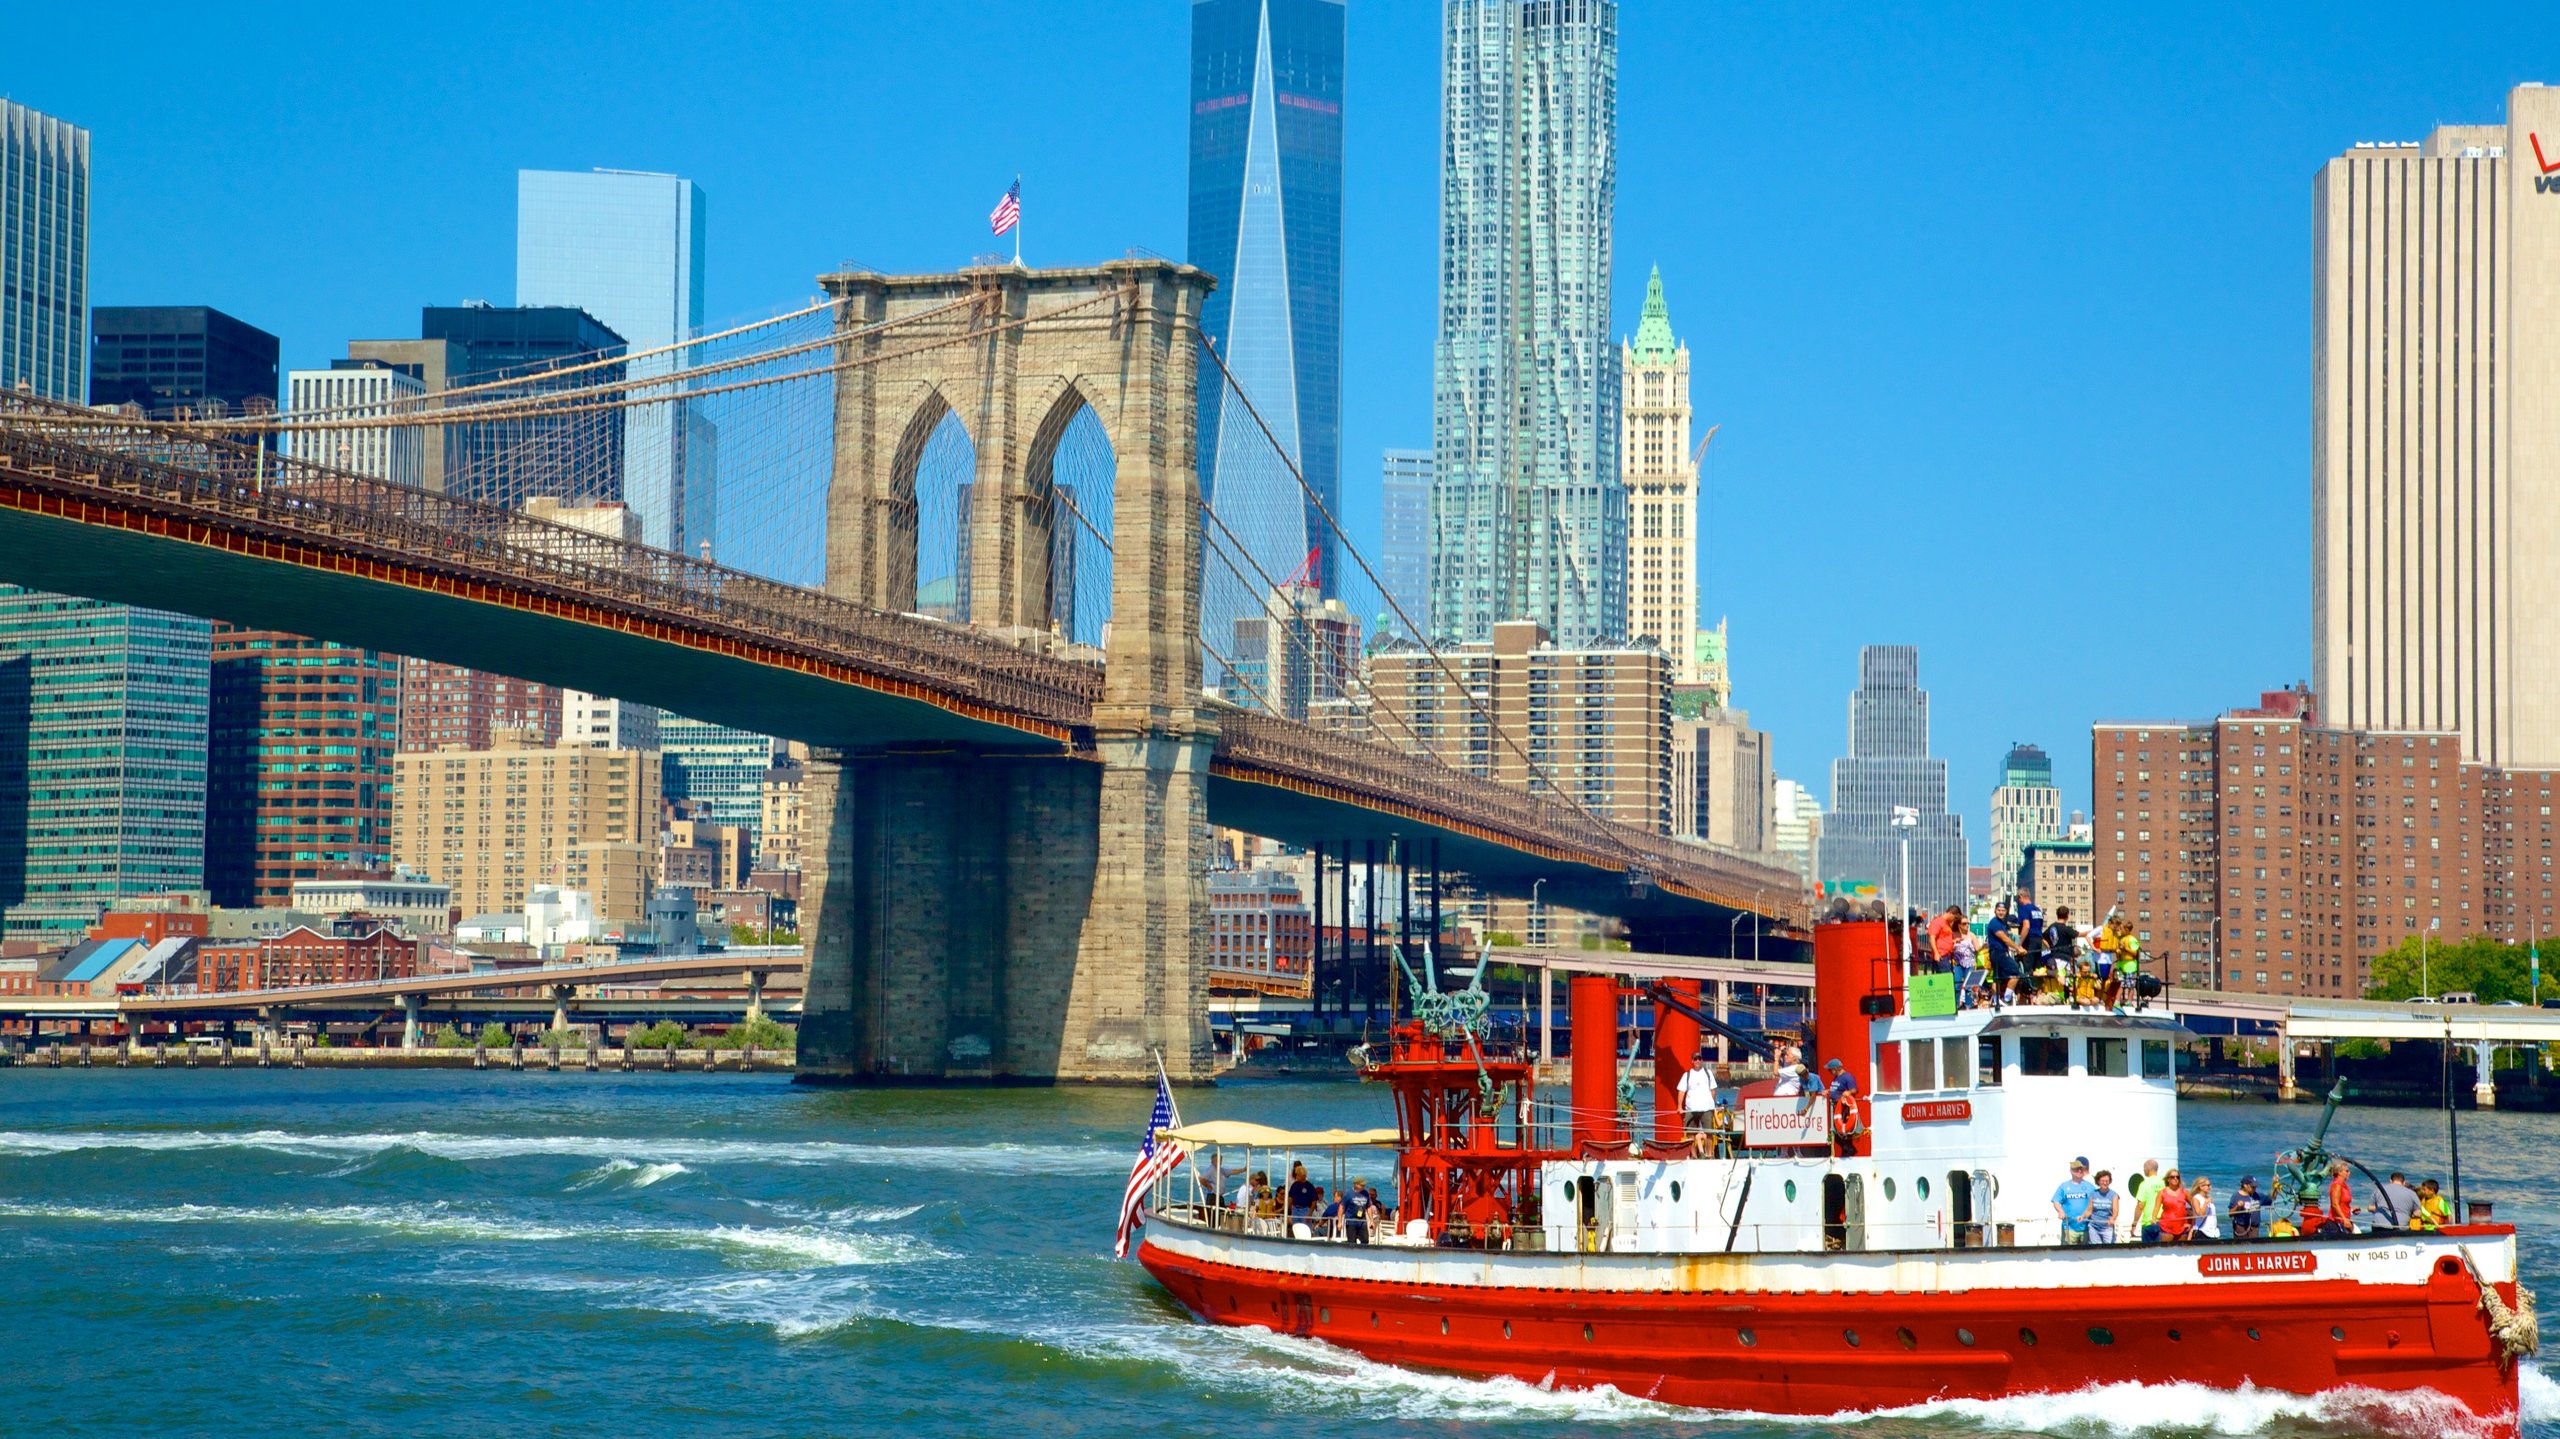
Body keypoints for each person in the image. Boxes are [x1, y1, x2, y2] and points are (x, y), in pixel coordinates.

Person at [2052, 1157, 2098, 1245]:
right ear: (2071, 1171)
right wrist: (2060, 1211)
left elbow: (2096, 1202)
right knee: (2067, 1254)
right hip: (2069, 1227)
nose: (2079, 1171)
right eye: (2076, 1169)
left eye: (2081, 1169)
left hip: (2086, 1227)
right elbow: (2056, 1201)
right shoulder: (2064, 1186)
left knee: (2086, 1255)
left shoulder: (2090, 1186)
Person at [1986, 902, 2023, 1008]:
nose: (2001, 912)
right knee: (2015, 973)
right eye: (1999, 910)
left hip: (1997, 952)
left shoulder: (2002, 923)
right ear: (1995, 911)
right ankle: (2006, 999)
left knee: (1997, 978)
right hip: (1999, 953)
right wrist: (2018, 948)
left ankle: (1995, 1000)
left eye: (2003, 910)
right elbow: (2005, 939)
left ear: (2006, 912)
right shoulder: (1995, 923)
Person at [1678, 1053, 1717, 1143]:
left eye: (1699, 1058)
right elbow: (1681, 1091)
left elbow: (1713, 1090)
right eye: (1695, 1059)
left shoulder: (1708, 1073)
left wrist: (1713, 1105)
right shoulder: (1687, 1075)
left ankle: (1709, 1155)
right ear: (1692, 1061)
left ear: (1702, 1060)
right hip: (1691, 1109)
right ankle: (1694, 1156)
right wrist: (1679, 1106)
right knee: (1690, 1132)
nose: (1697, 1061)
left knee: (1709, 1133)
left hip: (1707, 1108)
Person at [2318, 1159, 2357, 1235]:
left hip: (2343, 1220)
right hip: (2336, 1223)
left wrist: (2351, 1209)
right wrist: (2344, 1219)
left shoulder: (2344, 1186)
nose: (2349, 1173)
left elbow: (2342, 1204)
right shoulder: (2337, 1185)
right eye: (2347, 1171)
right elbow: (2335, 1204)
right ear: (2339, 1172)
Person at [2133, 1160, 2167, 1242]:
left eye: (2144, 1168)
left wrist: (2134, 1223)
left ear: (2147, 1168)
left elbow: (2140, 1206)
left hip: (2148, 1222)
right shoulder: (2164, 1183)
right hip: (2164, 1221)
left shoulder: (2144, 1184)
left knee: (2147, 1252)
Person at [2156, 1168, 2193, 1242]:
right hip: (2166, 1227)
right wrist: (2154, 1222)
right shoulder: (2162, 1193)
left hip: (2182, 1227)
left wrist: (2191, 1223)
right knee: (2166, 1251)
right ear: (2168, 1179)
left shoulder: (2185, 1192)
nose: (2175, 1179)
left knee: (2182, 1252)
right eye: (2172, 1177)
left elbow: (2195, 1207)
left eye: (2177, 1177)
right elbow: (2155, 1212)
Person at [2087, 1168, 2122, 1243]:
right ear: (2098, 1181)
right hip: (2094, 1227)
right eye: (2103, 1181)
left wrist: (2113, 1218)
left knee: (2109, 1249)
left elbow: (2115, 1211)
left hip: (2107, 1227)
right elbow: (2089, 1210)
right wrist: (2082, 1217)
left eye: (2107, 1181)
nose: (2105, 1183)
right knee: (2096, 1250)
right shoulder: (2093, 1193)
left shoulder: (2114, 1195)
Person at [2190, 1176, 2219, 1240]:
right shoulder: (2196, 1198)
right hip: (2202, 1231)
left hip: (2213, 1232)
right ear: (2201, 1187)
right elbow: (2200, 1215)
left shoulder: (2209, 1198)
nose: (2210, 1187)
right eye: (2208, 1185)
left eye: (2210, 1185)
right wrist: (2205, 1203)